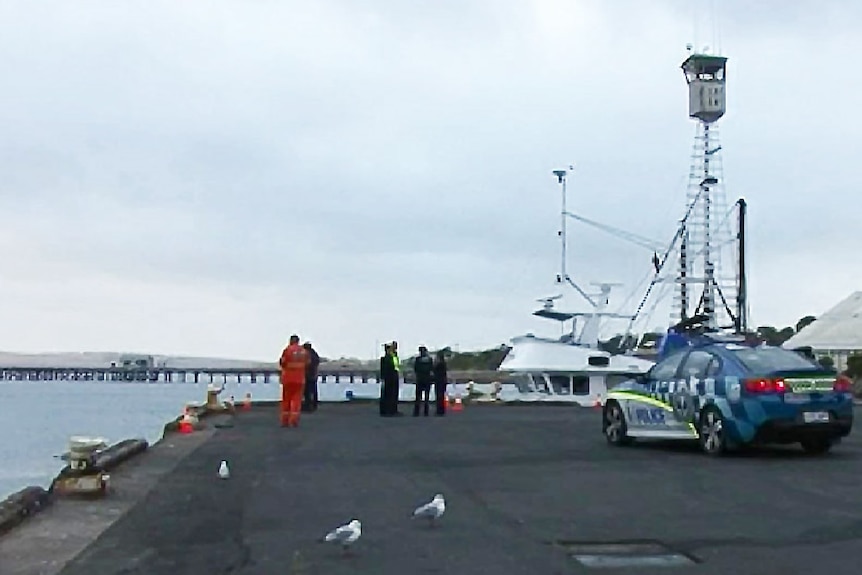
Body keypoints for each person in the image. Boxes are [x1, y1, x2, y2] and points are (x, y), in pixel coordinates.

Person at [279, 335, 308, 427]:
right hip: (300, 379)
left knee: (286, 400)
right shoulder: (304, 352)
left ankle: (285, 420)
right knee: (296, 400)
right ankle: (294, 420)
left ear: (291, 341)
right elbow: (308, 363)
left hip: (288, 379)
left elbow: (282, 363)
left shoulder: (287, 350)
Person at [379, 343, 402, 416]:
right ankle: (389, 410)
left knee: (391, 394)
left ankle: (390, 410)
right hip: (390, 377)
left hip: (391, 377)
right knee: (390, 394)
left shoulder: (389, 357)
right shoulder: (388, 358)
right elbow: (394, 367)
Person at [412, 346, 434, 417]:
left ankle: (416, 412)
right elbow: (432, 369)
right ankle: (426, 412)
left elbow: (415, 369)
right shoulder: (429, 360)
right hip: (427, 379)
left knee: (418, 396)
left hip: (420, 379)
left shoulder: (418, 359)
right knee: (426, 397)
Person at [302, 342, 320, 413]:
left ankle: (308, 405)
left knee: (307, 391)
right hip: (313, 375)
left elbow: (306, 364)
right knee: (313, 391)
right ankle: (314, 404)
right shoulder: (314, 354)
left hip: (307, 375)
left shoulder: (307, 354)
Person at [433, 350, 448, 416]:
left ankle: (439, 410)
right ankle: (441, 410)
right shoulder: (443, 363)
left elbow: (434, 370)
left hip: (439, 381)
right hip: (443, 380)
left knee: (439, 396)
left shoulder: (439, 364)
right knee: (441, 396)